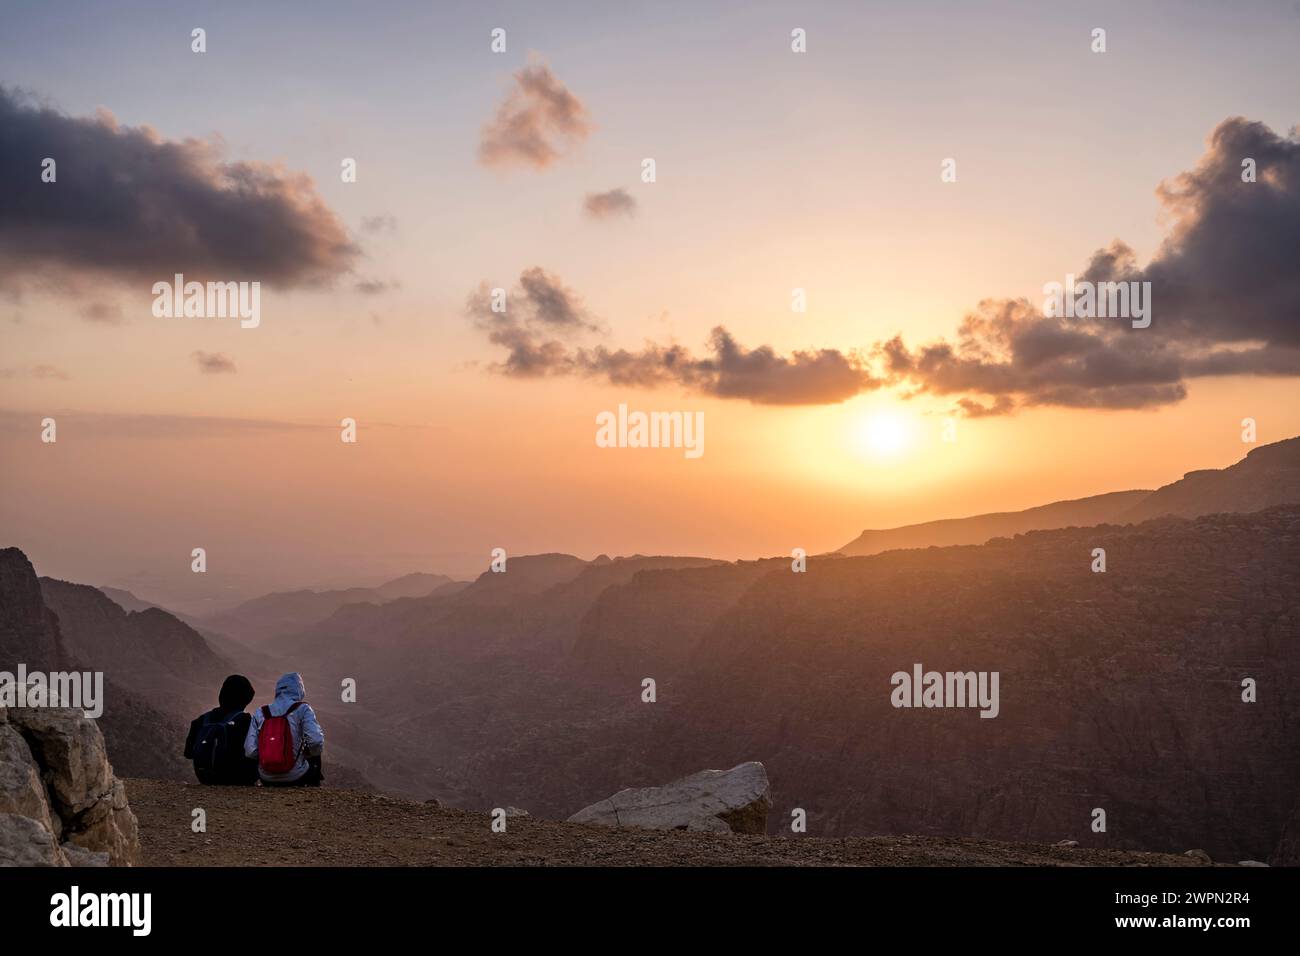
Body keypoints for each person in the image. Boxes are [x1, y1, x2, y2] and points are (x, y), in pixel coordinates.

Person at [244, 672, 325, 786]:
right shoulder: (303, 709)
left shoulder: (261, 712)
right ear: (299, 689)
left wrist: (269, 756)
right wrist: (306, 755)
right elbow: (316, 741)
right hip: (296, 777)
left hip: (266, 778)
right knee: (314, 745)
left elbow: (250, 751)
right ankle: (314, 788)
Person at [183, 674, 260, 785]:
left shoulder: (202, 720)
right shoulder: (246, 721)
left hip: (205, 778)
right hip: (238, 779)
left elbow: (188, 753)